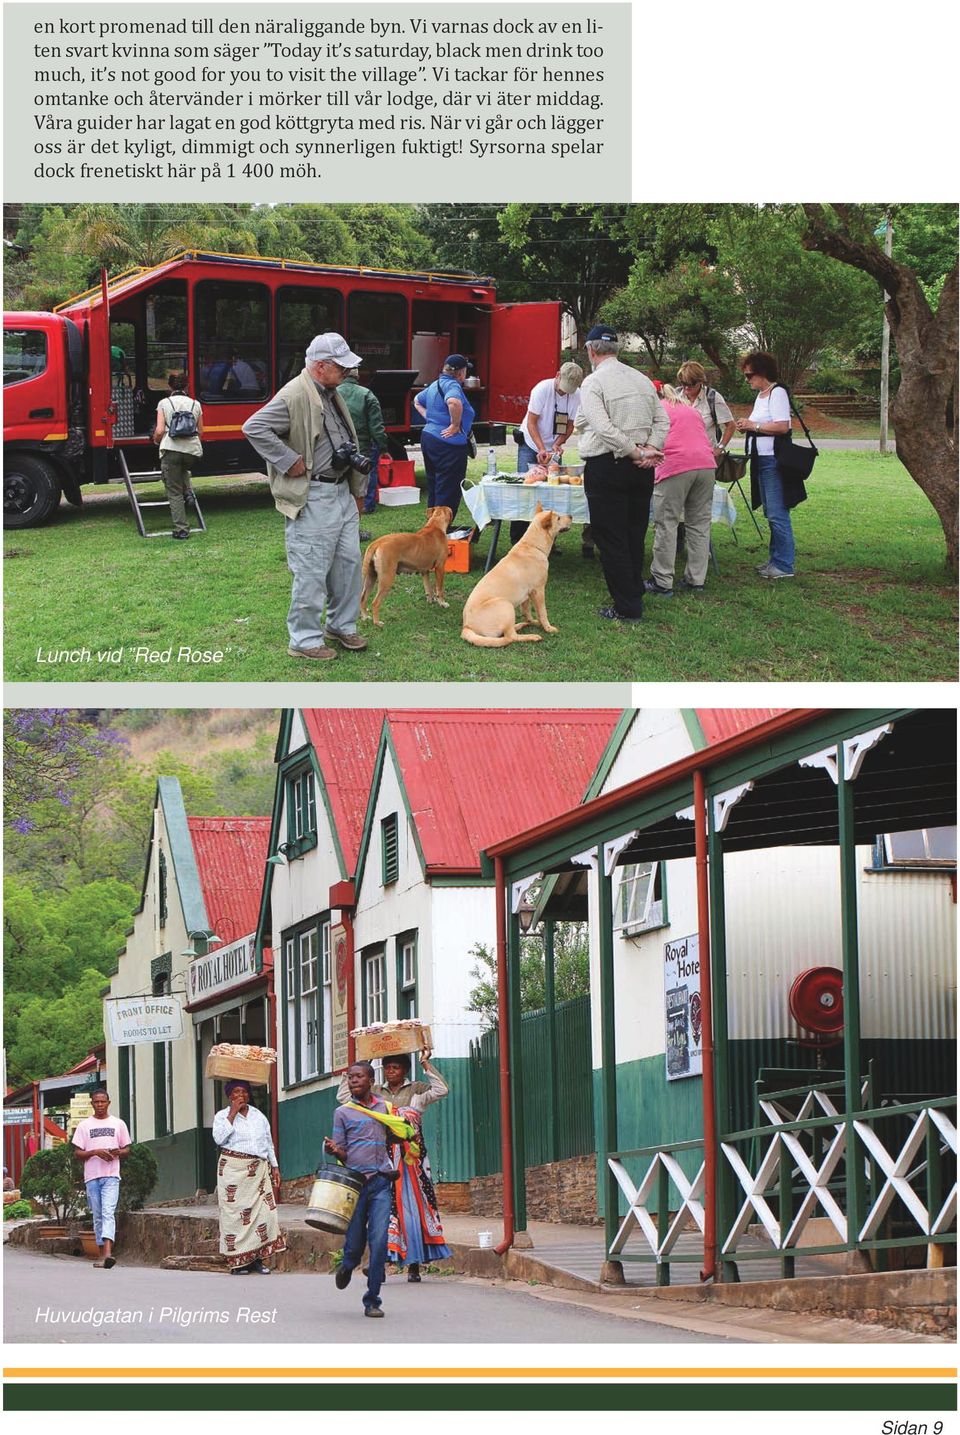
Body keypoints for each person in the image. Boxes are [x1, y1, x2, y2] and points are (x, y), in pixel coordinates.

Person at [242, 333, 370, 663]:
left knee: (349, 565)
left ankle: (341, 625)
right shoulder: (295, 393)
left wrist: (355, 491)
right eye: (341, 367)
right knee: (311, 570)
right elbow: (254, 428)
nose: (347, 372)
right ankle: (304, 640)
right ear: (320, 365)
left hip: (339, 492)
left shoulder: (328, 391)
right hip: (314, 495)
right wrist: (288, 461)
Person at [573, 326, 669, 622]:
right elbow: (662, 419)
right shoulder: (641, 379)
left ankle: (627, 606)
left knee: (611, 536)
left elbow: (602, 428)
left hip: (609, 464)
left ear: (591, 351)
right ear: (617, 350)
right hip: (641, 468)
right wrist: (649, 448)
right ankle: (632, 591)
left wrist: (635, 452)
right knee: (634, 531)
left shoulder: (593, 382)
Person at [325, 1061, 410, 1319]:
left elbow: (395, 1135)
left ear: (371, 1080)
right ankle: (348, 1265)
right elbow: (342, 1150)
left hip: (382, 1182)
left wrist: (404, 1132)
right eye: (350, 1077)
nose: (353, 1081)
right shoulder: (343, 1113)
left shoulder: (385, 1108)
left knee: (379, 1240)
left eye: (358, 1077)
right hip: (355, 1184)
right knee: (354, 1244)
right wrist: (334, 1150)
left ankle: (372, 1299)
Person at [645, 385, 717, 596]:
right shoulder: (690, 409)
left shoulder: (657, 410)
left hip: (675, 466)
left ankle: (662, 580)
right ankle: (696, 579)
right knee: (699, 524)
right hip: (706, 465)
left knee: (667, 523)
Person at [735, 351, 799, 579]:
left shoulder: (777, 392)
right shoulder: (762, 395)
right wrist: (748, 426)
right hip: (761, 459)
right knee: (770, 512)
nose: (747, 379)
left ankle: (784, 564)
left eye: (749, 375)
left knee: (776, 512)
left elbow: (782, 426)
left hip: (773, 460)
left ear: (762, 373)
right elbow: (761, 424)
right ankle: (775, 559)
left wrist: (754, 426)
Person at [212, 1079, 285, 1275]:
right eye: (236, 1092)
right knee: (235, 1217)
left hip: (259, 1171)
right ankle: (238, 1262)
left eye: (244, 1092)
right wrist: (233, 1114)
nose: (241, 1096)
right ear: (230, 1096)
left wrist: (275, 1166)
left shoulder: (258, 1116)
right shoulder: (221, 1116)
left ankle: (258, 1260)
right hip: (234, 1172)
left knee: (264, 1214)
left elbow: (268, 1143)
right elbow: (219, 1139)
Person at [386, 1061, 450, 1282]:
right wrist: (362, 1063)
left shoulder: (417, 1091)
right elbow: (345, 1098)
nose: (390, 1071)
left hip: (412, 1161)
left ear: (405, 1069)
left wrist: (425, 1063)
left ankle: (414, 1263)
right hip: (384, 1160)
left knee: (414, 1209)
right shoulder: (375, 1092)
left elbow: (442, 1090)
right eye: (387, 1067)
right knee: (383, 1207)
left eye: (395, 1067)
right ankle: (382, 1261)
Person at [509, 362, 584, 545]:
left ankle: (548, 540)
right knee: (526, 491)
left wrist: (557, 444)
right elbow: (531, 423)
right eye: (563, 388)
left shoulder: (577, 395)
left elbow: (569, 425)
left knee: (552, 492)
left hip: (553, 447)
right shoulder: (541, 389)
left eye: (569, 390)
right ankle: (519, 539)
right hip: (531, 443)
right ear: (558, 375)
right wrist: (541, 448)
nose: (565, 393)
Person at [71, 1086, 131, 1269]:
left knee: (108, 1212)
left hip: (111, 1174)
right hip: (92, 1176)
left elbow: (127, 1149)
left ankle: (108, 1254)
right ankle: (100, 1254)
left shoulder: (118, 1124)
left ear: (108, 1103)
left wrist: (117, 1152)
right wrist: (96, 1152)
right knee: (97, 1215)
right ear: (91, 1104)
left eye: (102, 1101)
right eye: (96, 1102)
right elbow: (77, 1153)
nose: (99, 1105)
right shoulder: (84, 1126)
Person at [413, 355, 475, 519]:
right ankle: (441, 532)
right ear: (461, 372)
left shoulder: (436, 384)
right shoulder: (452, 385)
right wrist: (455, 425)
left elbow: (417, 400)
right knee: (448, 489)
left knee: (435, 486)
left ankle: (431, 528)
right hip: (448, 444)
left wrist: (429, 418)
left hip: (430, 438)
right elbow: (454, 402)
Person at [338, 366, 389, 536]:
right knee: (361, 487)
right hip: (362, 449)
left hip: (336, 449)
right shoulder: (367, 394)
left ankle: (340, 525)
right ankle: (365, 509)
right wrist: (383, 448)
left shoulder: (331, 393)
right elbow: (376, 426)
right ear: (357, 375)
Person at [152, 372, 203, 541]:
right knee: (183, 471)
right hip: (192, 451)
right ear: (187, 386)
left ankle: (182, 529)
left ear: (170, 386)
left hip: (171, 449)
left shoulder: (164, 403)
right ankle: (188, 491)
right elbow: (200, 431)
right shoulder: (196, 404)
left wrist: (156, 440)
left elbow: (160, 431)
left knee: (174, 492)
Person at [675, 361, 736, 457]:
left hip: (705, 457)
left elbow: (731, 425)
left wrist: (720, 448)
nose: (686, 387)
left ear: (700, 381)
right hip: (679, 456)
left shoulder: (712, 397)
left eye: (692, 383)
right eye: (683, 383)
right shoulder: (674, 397)